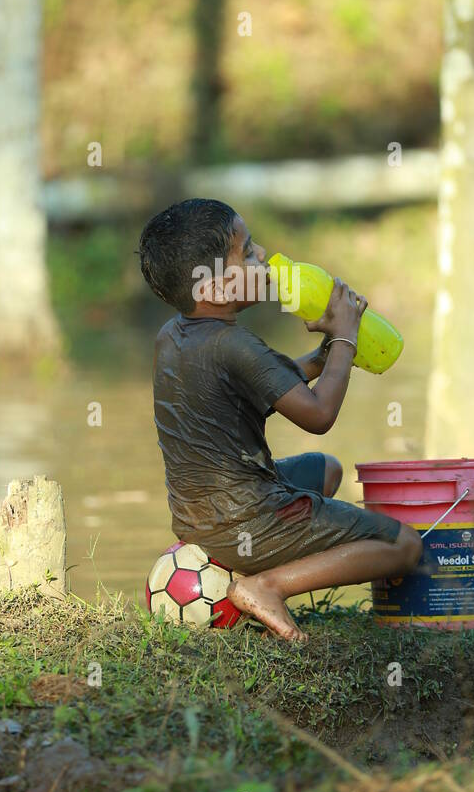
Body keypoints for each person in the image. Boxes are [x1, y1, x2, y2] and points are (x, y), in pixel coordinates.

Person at [138, 198, 422, 641]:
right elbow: (319, 414)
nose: (263, 256)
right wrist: (346, 337)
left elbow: (252, 389)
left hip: (196, 518)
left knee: (325, 469)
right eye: (247, 251)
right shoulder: (235, 344)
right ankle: (266, 585)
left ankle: (252, 572)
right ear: (212, 289)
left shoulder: (172, 336)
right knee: (405, 546)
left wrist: (325, 353)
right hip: (247, 519)